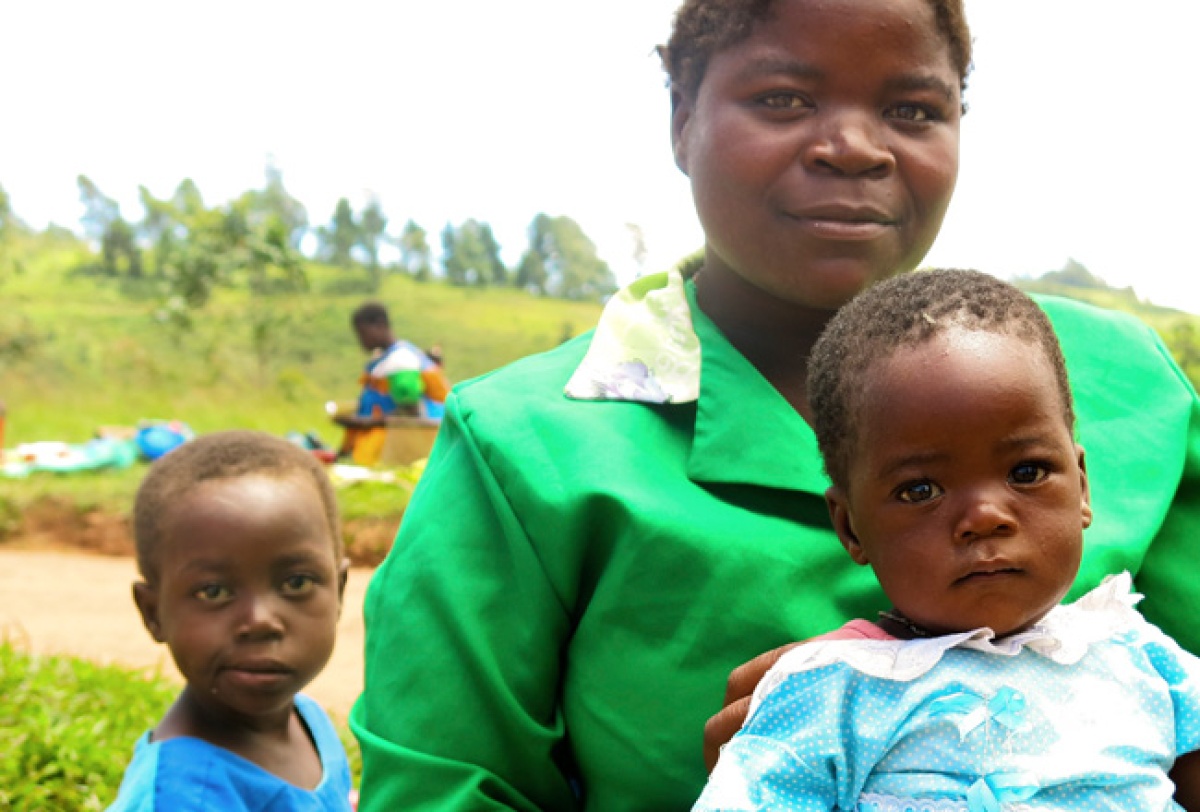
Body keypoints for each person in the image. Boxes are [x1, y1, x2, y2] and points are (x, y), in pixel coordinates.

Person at [351, 0, 1200, 809]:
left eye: (911, 108)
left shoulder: (1123, 380)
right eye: (784, 98)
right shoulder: (527, 444)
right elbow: (447, 790)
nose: (854, 147)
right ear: (682, 118)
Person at [693, 269, 1200, 810]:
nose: (984, 517)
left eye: (1027, 472)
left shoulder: (1142, 659)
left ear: (1081, 487)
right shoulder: (833, 694)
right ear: (850, 526)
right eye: (920, 490)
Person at [108, 431, 354, 811]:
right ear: (153, 613)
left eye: (296, 583)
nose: (260, 622)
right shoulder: (182, 797)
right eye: (214, 592)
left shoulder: (306, 718)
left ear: (338, 590)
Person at [334, 302, 449, 463]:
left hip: (411, 447)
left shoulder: (401, 360)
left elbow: (410, 412)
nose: (361, 340)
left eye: (363, 333)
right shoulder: (386, 358)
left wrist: (360, 422)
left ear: (380, 325)